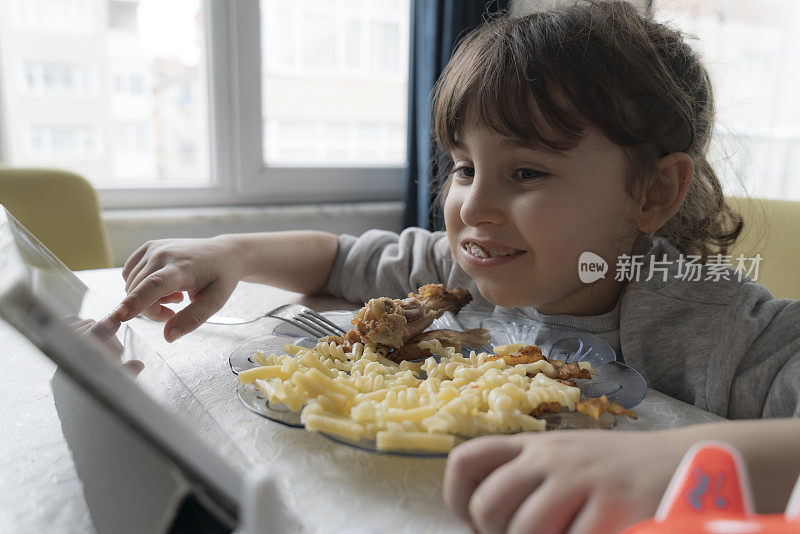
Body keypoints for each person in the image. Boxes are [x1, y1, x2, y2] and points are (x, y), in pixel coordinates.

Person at [110, 1, 800, 532]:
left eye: (525, 171)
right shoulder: (454, 273)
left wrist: (684, 461)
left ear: (651, 193)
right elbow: (342, 259)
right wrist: (232, 253)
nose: (474, 206)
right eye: (465, 167)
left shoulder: (720, 329)